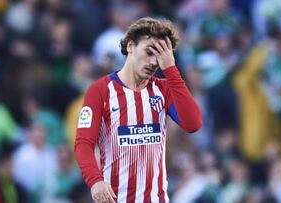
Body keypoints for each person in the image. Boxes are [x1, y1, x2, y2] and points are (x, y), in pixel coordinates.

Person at [74, 16, 202, 203]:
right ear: (130, 46)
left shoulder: (164, 88)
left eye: (159, 56)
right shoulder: (100, 90)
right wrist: (95, 181)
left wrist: (171, 70)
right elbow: (83, 144)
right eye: (149, 52)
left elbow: (193, 124)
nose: (153, 62)